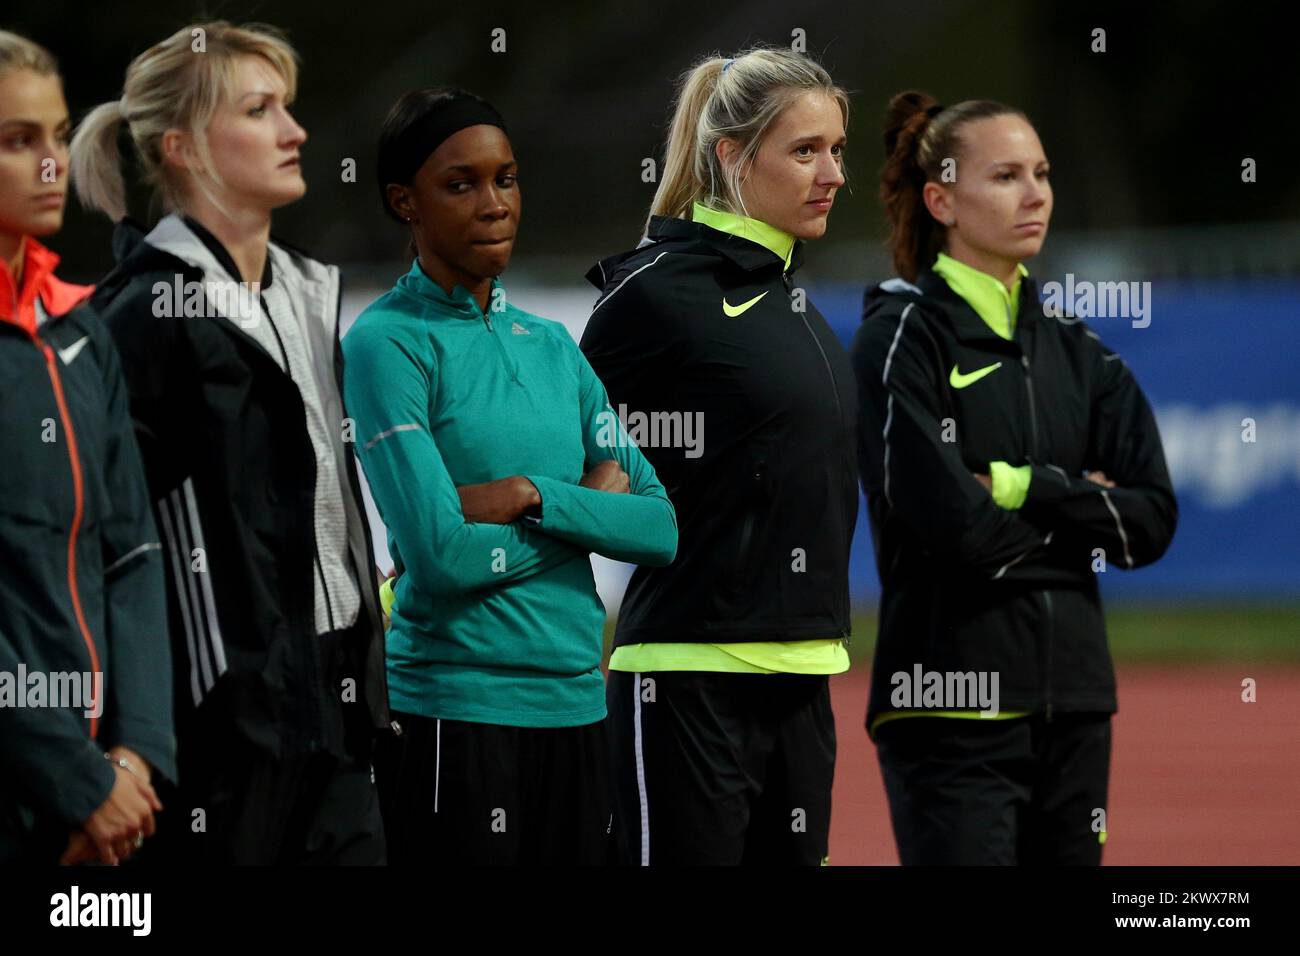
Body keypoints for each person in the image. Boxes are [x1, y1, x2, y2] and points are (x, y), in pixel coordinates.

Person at [70, 21, 389, 864]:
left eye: (287, 105)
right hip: (220, 744)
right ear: (181, 148)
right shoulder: (135, 321)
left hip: (343, 719)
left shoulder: (310, 294)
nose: (295, 131)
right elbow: (103, 553)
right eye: (260, 110)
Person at [344, 88, 677, 865]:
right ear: (406, 202)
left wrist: (533, 499)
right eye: (461, 185)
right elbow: (441, 558)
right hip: (454, 720)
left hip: (577, 708)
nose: (494, 204)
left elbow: (659, 527)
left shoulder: (555, 346)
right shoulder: (387, 343)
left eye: (507, 179)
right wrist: (586, 512)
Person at [850, 91, 1178, 865]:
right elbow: (952, 531)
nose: (1035, 194)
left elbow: (1152, 524)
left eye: (1041, 172)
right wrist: (1081, 509)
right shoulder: (899, 339)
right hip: (949, 712)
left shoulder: (1082, 352)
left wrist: (1021, 486)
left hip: (1077, 709)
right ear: (942, 200)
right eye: (1005, 176)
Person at [580, 47, 858, 865]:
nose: (832, 173)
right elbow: (566, 464)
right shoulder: (656, 293)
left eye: (838, 150)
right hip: (686, 678)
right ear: (730, 156)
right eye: (804, 151)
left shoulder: (792, 301)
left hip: (806, 674)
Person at [0, 29, 173, 866]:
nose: (49, 164)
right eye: (16, 141)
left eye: (56, 135)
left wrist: (134, 757)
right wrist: (74, 780)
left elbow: (133, 552)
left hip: (110, 810)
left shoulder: (79, 331)